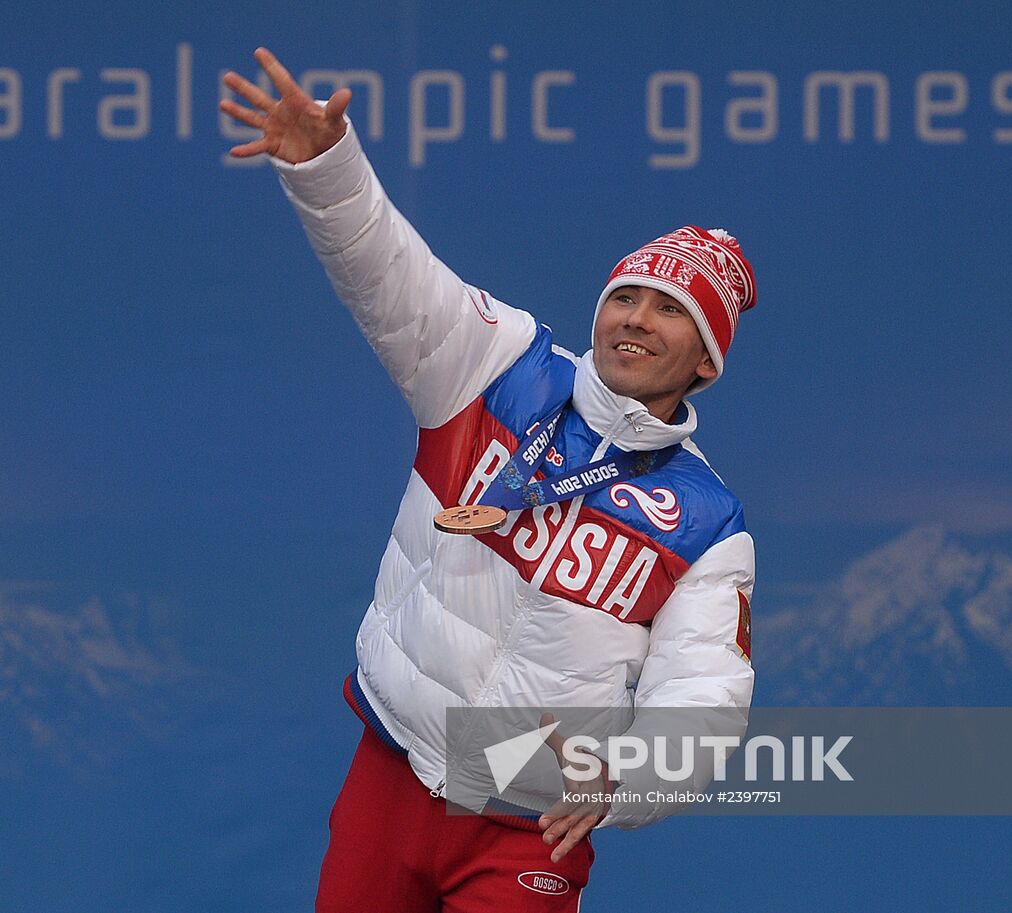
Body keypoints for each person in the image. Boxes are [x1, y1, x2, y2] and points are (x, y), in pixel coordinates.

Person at [221, 48, 757, 913]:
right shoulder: (500, 364)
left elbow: (702, 692)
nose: (636, 320)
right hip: (391, 772)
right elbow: (393, 279)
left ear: (706, 360)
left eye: (670, 311)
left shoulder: (708, 523)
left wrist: (627, 772)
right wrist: (326, 170)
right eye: (627, 297)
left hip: (523, 823)